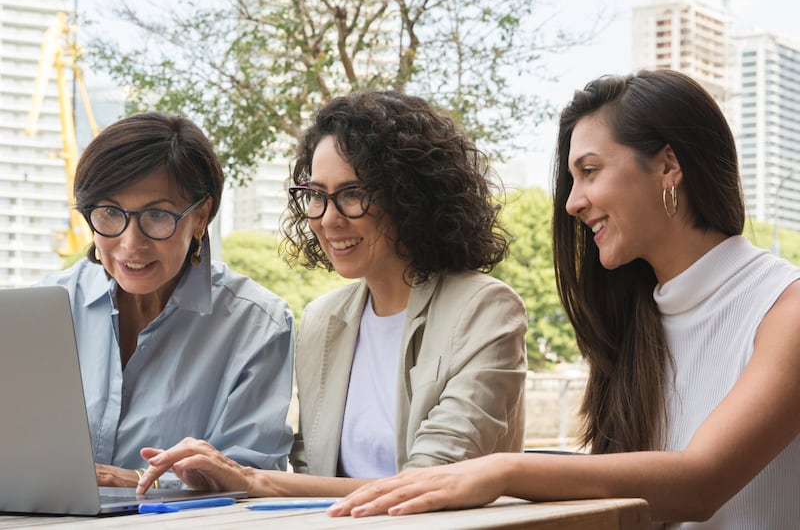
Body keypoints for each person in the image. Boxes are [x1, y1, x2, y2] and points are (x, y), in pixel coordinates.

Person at [325, 70, 800, 529]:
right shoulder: (635, 321)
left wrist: (505, 469)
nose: (573, 203)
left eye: (590, 172)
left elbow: (701, 483)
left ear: (669, 165)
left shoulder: (784, 309)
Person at [135, 90, 528, 497]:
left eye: (353, 194)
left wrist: (251, 479)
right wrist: (218, 475)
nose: (328, 218)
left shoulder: (485, 310)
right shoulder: (323, 318)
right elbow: (311, 468)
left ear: (411, 195)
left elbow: (431, 482)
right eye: (317, 196)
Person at [38, 112, 295, 488]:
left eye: (157, 216)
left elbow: (253, 477)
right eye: (109, 213)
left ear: (201, 216)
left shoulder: (257, 324)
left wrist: (137, 481)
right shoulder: (47, 306)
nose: (130, 244)